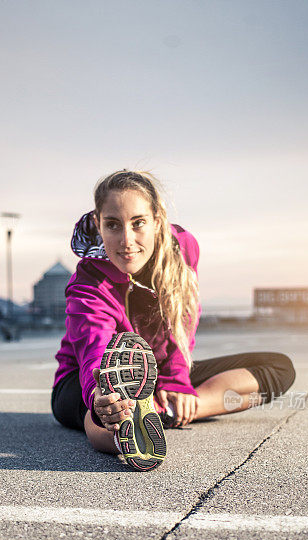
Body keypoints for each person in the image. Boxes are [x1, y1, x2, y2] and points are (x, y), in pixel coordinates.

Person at [51, 169, 295, 471]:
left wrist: (177, 383)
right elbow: (94, 349)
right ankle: (126, 434)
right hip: (88, 380)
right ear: (99, 226)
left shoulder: (182, 249)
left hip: (156, 376)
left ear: (156, 221)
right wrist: (102, 394)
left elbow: (185, 317)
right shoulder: (88, 282)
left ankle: (166, 411)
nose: (127, 240)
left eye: (138, 223)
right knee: (102, 409)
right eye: (113, 225)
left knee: (279, 369)